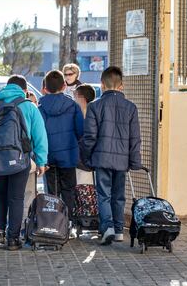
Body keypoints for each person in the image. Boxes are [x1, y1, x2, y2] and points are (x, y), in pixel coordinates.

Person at [0, 75, 48, 251]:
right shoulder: (29, 106)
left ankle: (0, 232)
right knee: (16, 197)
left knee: (0, 194)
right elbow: (40, 136)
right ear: (24, 90)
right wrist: (41, 161)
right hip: (20, 158)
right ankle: (13, 239)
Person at [81, 66, 142, 245]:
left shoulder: (94, 106)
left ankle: (106, 227)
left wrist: (87, 157)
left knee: (104, 194)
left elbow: (89, 137)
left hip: (101, 159)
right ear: (121, 86)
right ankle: (118, 230)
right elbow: (135, 138)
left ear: (102, 84)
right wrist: (134, 161)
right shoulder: (131, 108)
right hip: (122, 160)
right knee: (119, 195)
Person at [39, 70, 84, 236]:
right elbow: (81, 130)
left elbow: (38, 133)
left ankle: (53, 224)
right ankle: (69, 224)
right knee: (69, 190)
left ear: (44, 88)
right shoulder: (73, 106)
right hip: (69, 155)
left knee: (52, 192)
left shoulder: (41, 108)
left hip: (48, 156)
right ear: (64, 86)